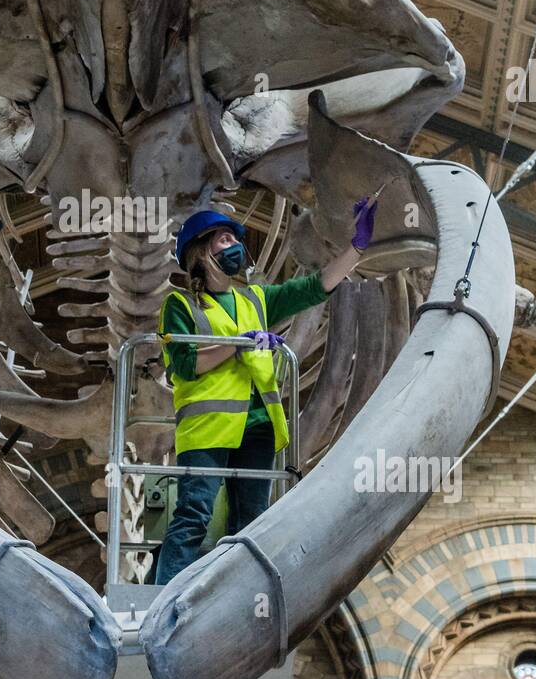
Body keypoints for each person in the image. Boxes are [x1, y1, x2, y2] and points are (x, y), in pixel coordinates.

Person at [153, 198, 378, 585]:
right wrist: (239, 343)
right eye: (224, 240)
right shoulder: (181, 304)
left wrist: (355, 249)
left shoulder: (255, 299)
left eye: (234, 239)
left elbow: (313, 288)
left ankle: (237, 597)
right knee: (194, 513)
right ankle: (163, 598)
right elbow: (186, 363)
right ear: (199, 251)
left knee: (251, 524)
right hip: (207, 428)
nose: (235, 246)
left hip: (258, 425)